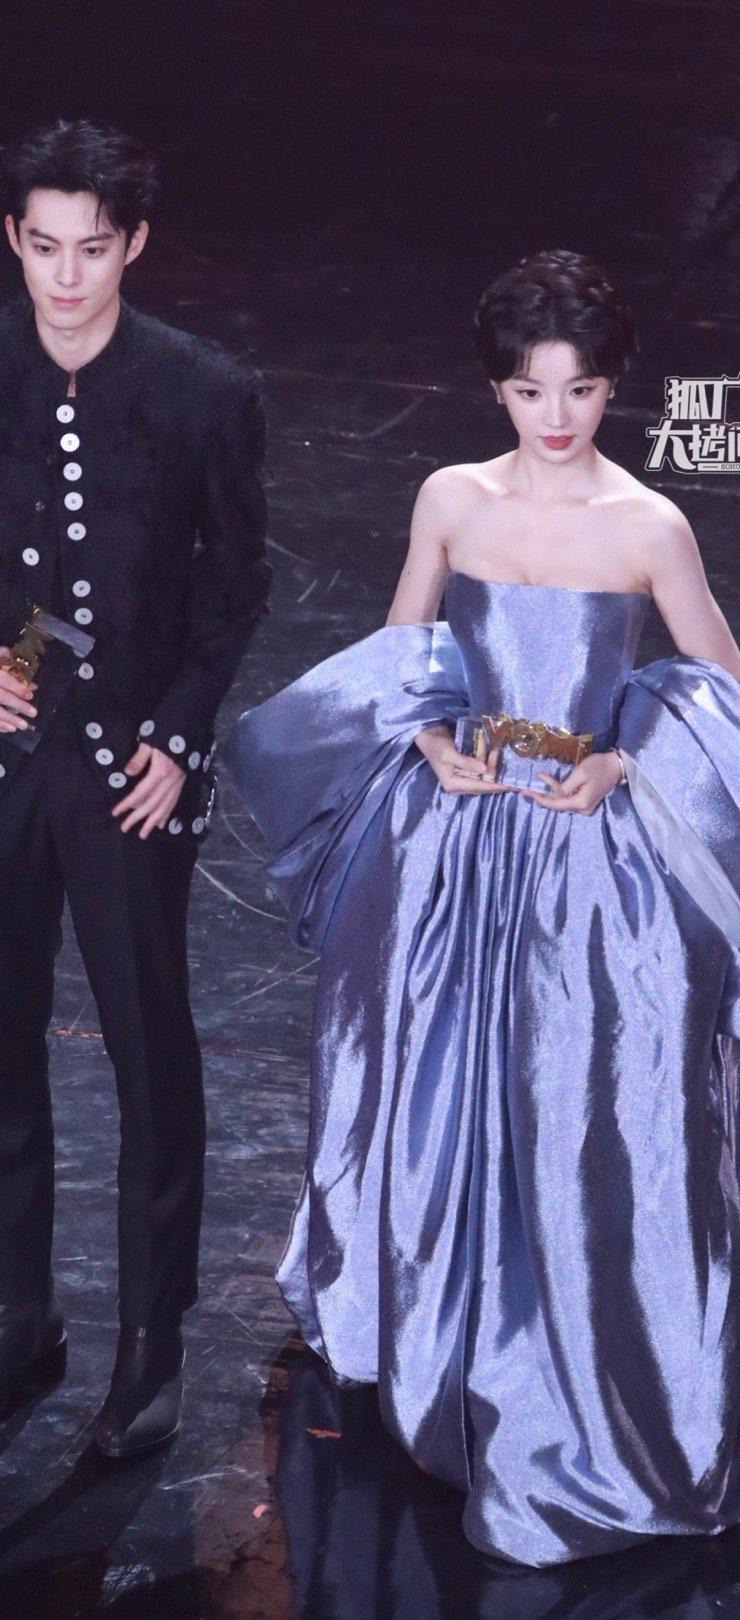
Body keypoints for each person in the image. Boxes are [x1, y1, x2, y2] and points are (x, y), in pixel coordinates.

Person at [224, 249, 740, 1568]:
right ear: (499, 388)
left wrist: (619, 761)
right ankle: (434, 1303)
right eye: (532, 390)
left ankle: (576, 1332)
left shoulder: (647, 522)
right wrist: (429, 739)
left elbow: (719, 676)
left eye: (582, 389)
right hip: (462, 837)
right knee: (435, 1064)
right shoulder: (452, 498)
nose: (557, 416)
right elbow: (403, 646)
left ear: (611, 388)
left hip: (593, 852)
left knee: (591, 1091)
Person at [0, 120, 271, 1458]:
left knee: (149, 1060)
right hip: (4, 756)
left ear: (135, 246)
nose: (66, 279)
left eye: (92, 250)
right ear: (13, 238)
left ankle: (152, 1356)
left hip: (129, 776)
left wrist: (179, 735)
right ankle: (16, 1325)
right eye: (44, 247)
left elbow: (234, 582)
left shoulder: (201, 388)